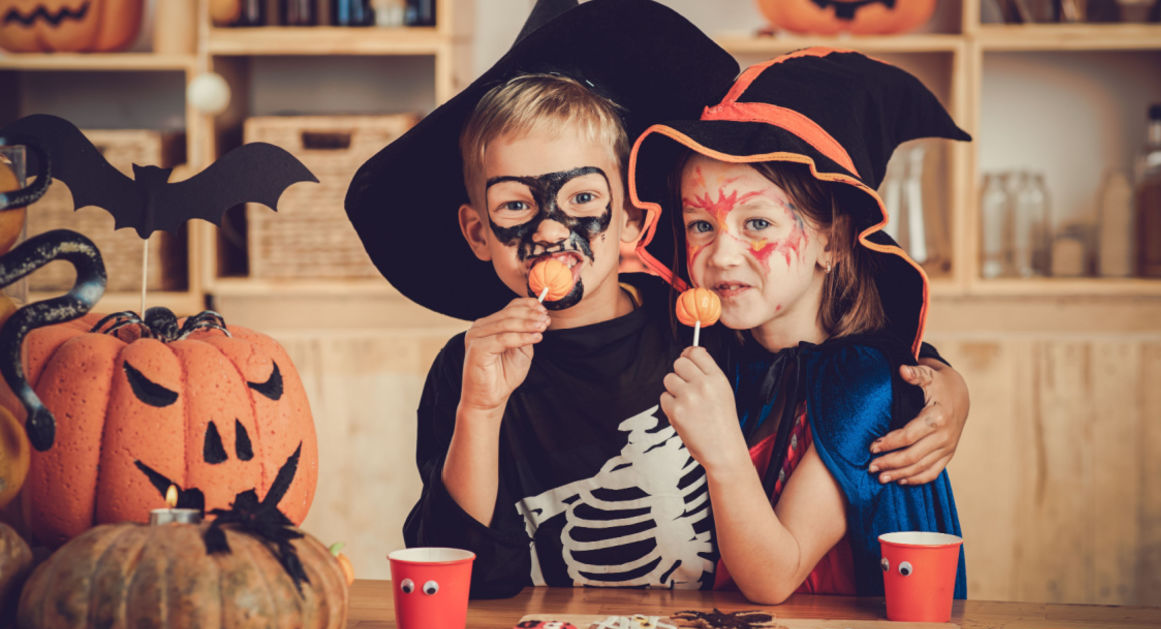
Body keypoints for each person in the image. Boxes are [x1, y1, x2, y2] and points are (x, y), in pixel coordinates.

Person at [346, 1, 967, 598]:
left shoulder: (701, 329)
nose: (549, 231)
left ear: (633, 222)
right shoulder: (468, 371)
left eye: (583, 200)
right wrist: (478, 411)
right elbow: (462, 579)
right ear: (478, 232)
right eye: (516, 205)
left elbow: (840, 359)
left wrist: (939, 384)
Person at [628, 48, 971, 604]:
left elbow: (773, 577)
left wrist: (720, 448)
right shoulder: (717, 353)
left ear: (833, 241)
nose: (721, 255)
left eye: (757, 223)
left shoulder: (864, 384)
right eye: (700, 224)